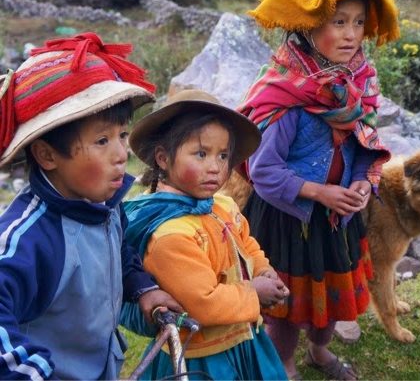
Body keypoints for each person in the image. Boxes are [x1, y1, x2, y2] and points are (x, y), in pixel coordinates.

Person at [237, 0, 400, 381]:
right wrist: (318, 192)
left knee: (332, 296)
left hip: (337, 221)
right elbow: (264, 170)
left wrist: (364, 181)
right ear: (308, 29)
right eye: (338, 22)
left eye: (359, 23)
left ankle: (319, 352)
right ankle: (286, 361)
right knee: (287, 307)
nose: (351, 33)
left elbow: (366, 144)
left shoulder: (358, 85)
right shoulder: (286, 96)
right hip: (287, 222)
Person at [0, 32, 183, 380]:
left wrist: (142, 287)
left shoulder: (105, 208)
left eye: (122, 135)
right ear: (47, 154)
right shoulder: (28, 239)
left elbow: (118, 252)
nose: (120, 154)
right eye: (102, 140)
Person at [120, 89, 290, 380]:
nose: (215, 167)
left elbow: (246, 243)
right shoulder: (171, 235)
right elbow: (203, 304)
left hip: (244, 338)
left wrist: (264, 270)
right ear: (163, 158)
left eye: (223, 155)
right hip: (204, 358)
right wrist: (255, 293)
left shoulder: (221, 204)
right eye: (201, 154)